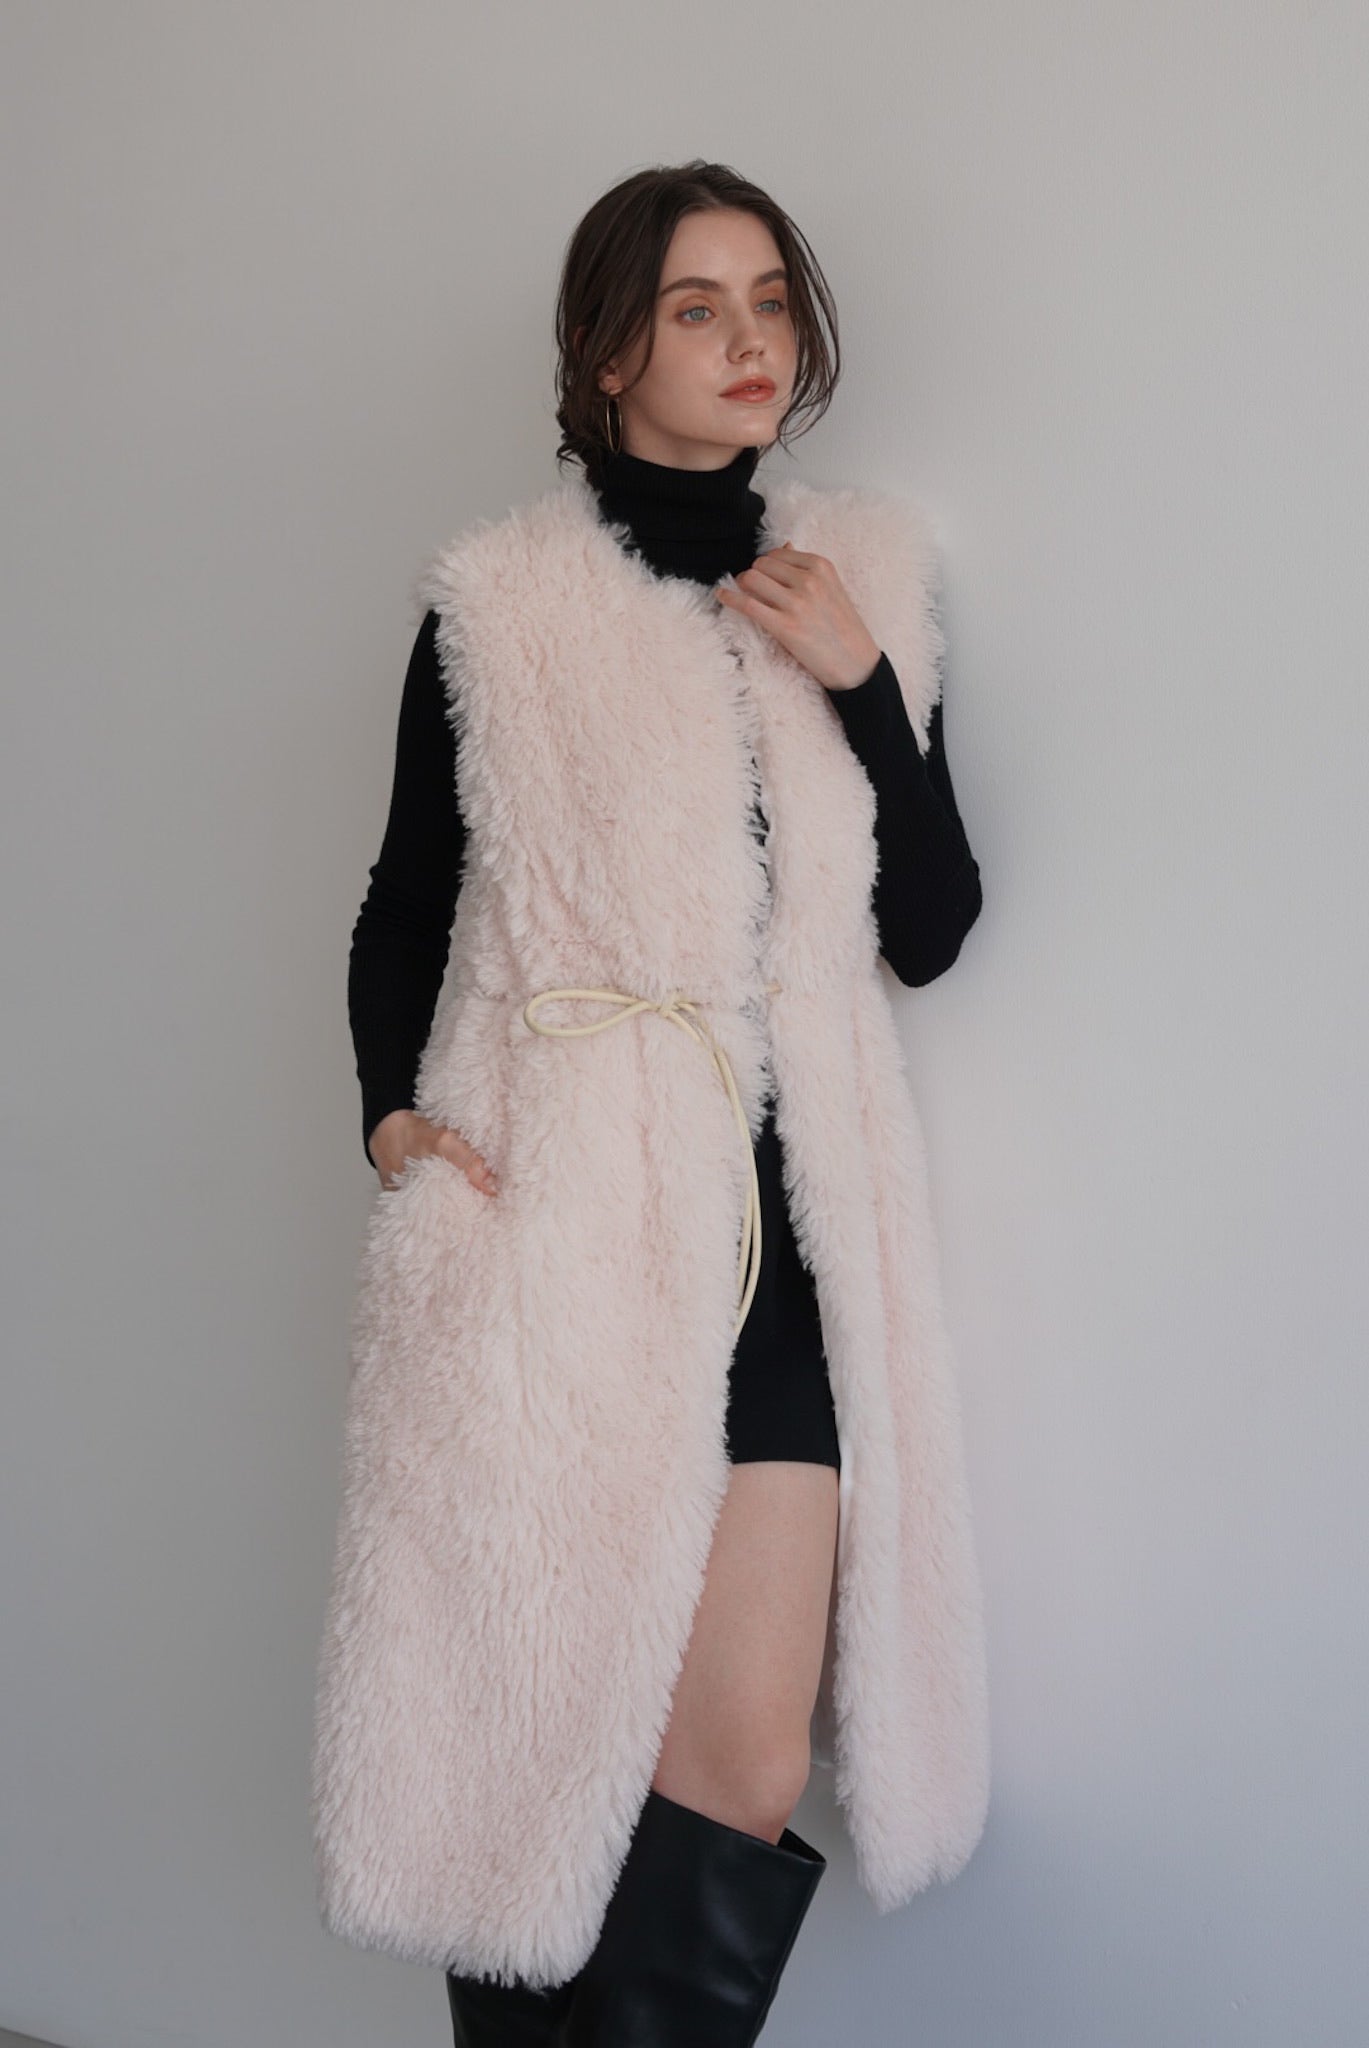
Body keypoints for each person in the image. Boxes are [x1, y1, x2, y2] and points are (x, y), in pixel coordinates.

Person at [312, 160, 990, 2046]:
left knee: (740, 1767)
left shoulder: (864, 583)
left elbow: (929, 930)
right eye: (697, 307)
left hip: (791, 1239)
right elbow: (404, 903)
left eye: (769, 301)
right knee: (533, 1754)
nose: (748, 341)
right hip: (565, 1221)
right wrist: (389, 1126)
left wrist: (862, 687)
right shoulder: (502, 604)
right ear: (607, 349)